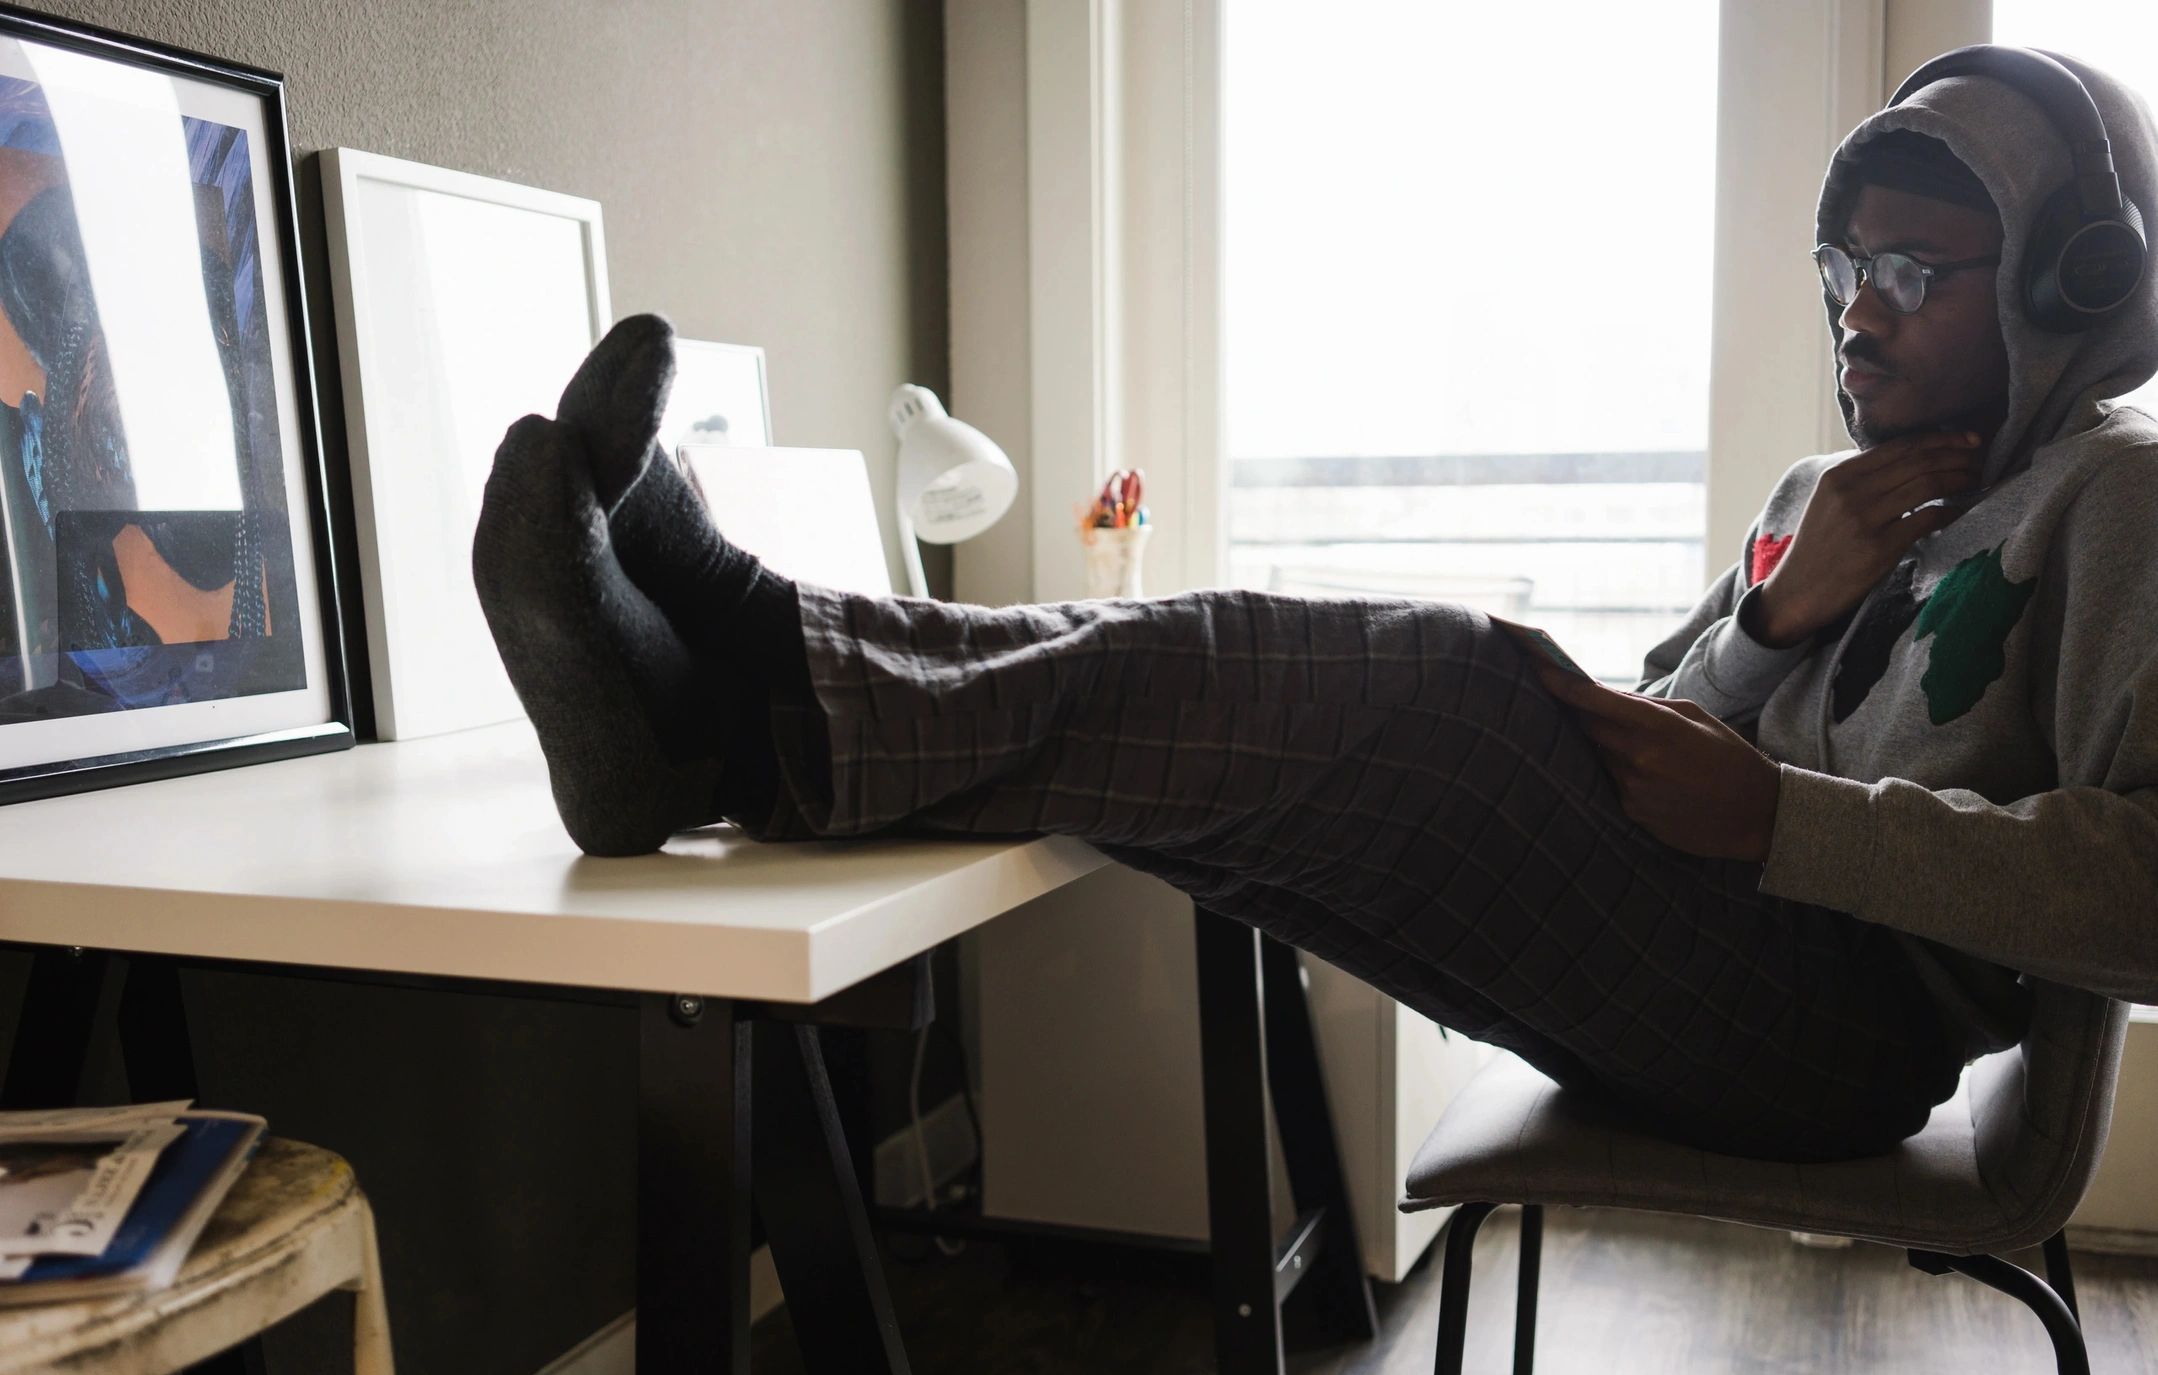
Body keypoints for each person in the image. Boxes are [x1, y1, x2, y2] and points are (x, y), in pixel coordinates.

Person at [471, 47, 2158, 1164]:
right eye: (1842, 268)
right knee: (1240, 776)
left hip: (1832, 1042)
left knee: (1432, 685)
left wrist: (1789, 823)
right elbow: (1672, 737)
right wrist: (1768, 625)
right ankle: (717, 715)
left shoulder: (2109, 500)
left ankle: (744, 670)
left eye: (1914, 276)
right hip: (1708, 954)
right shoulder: (1817, 498)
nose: (1857, 316)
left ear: (2057, 290)